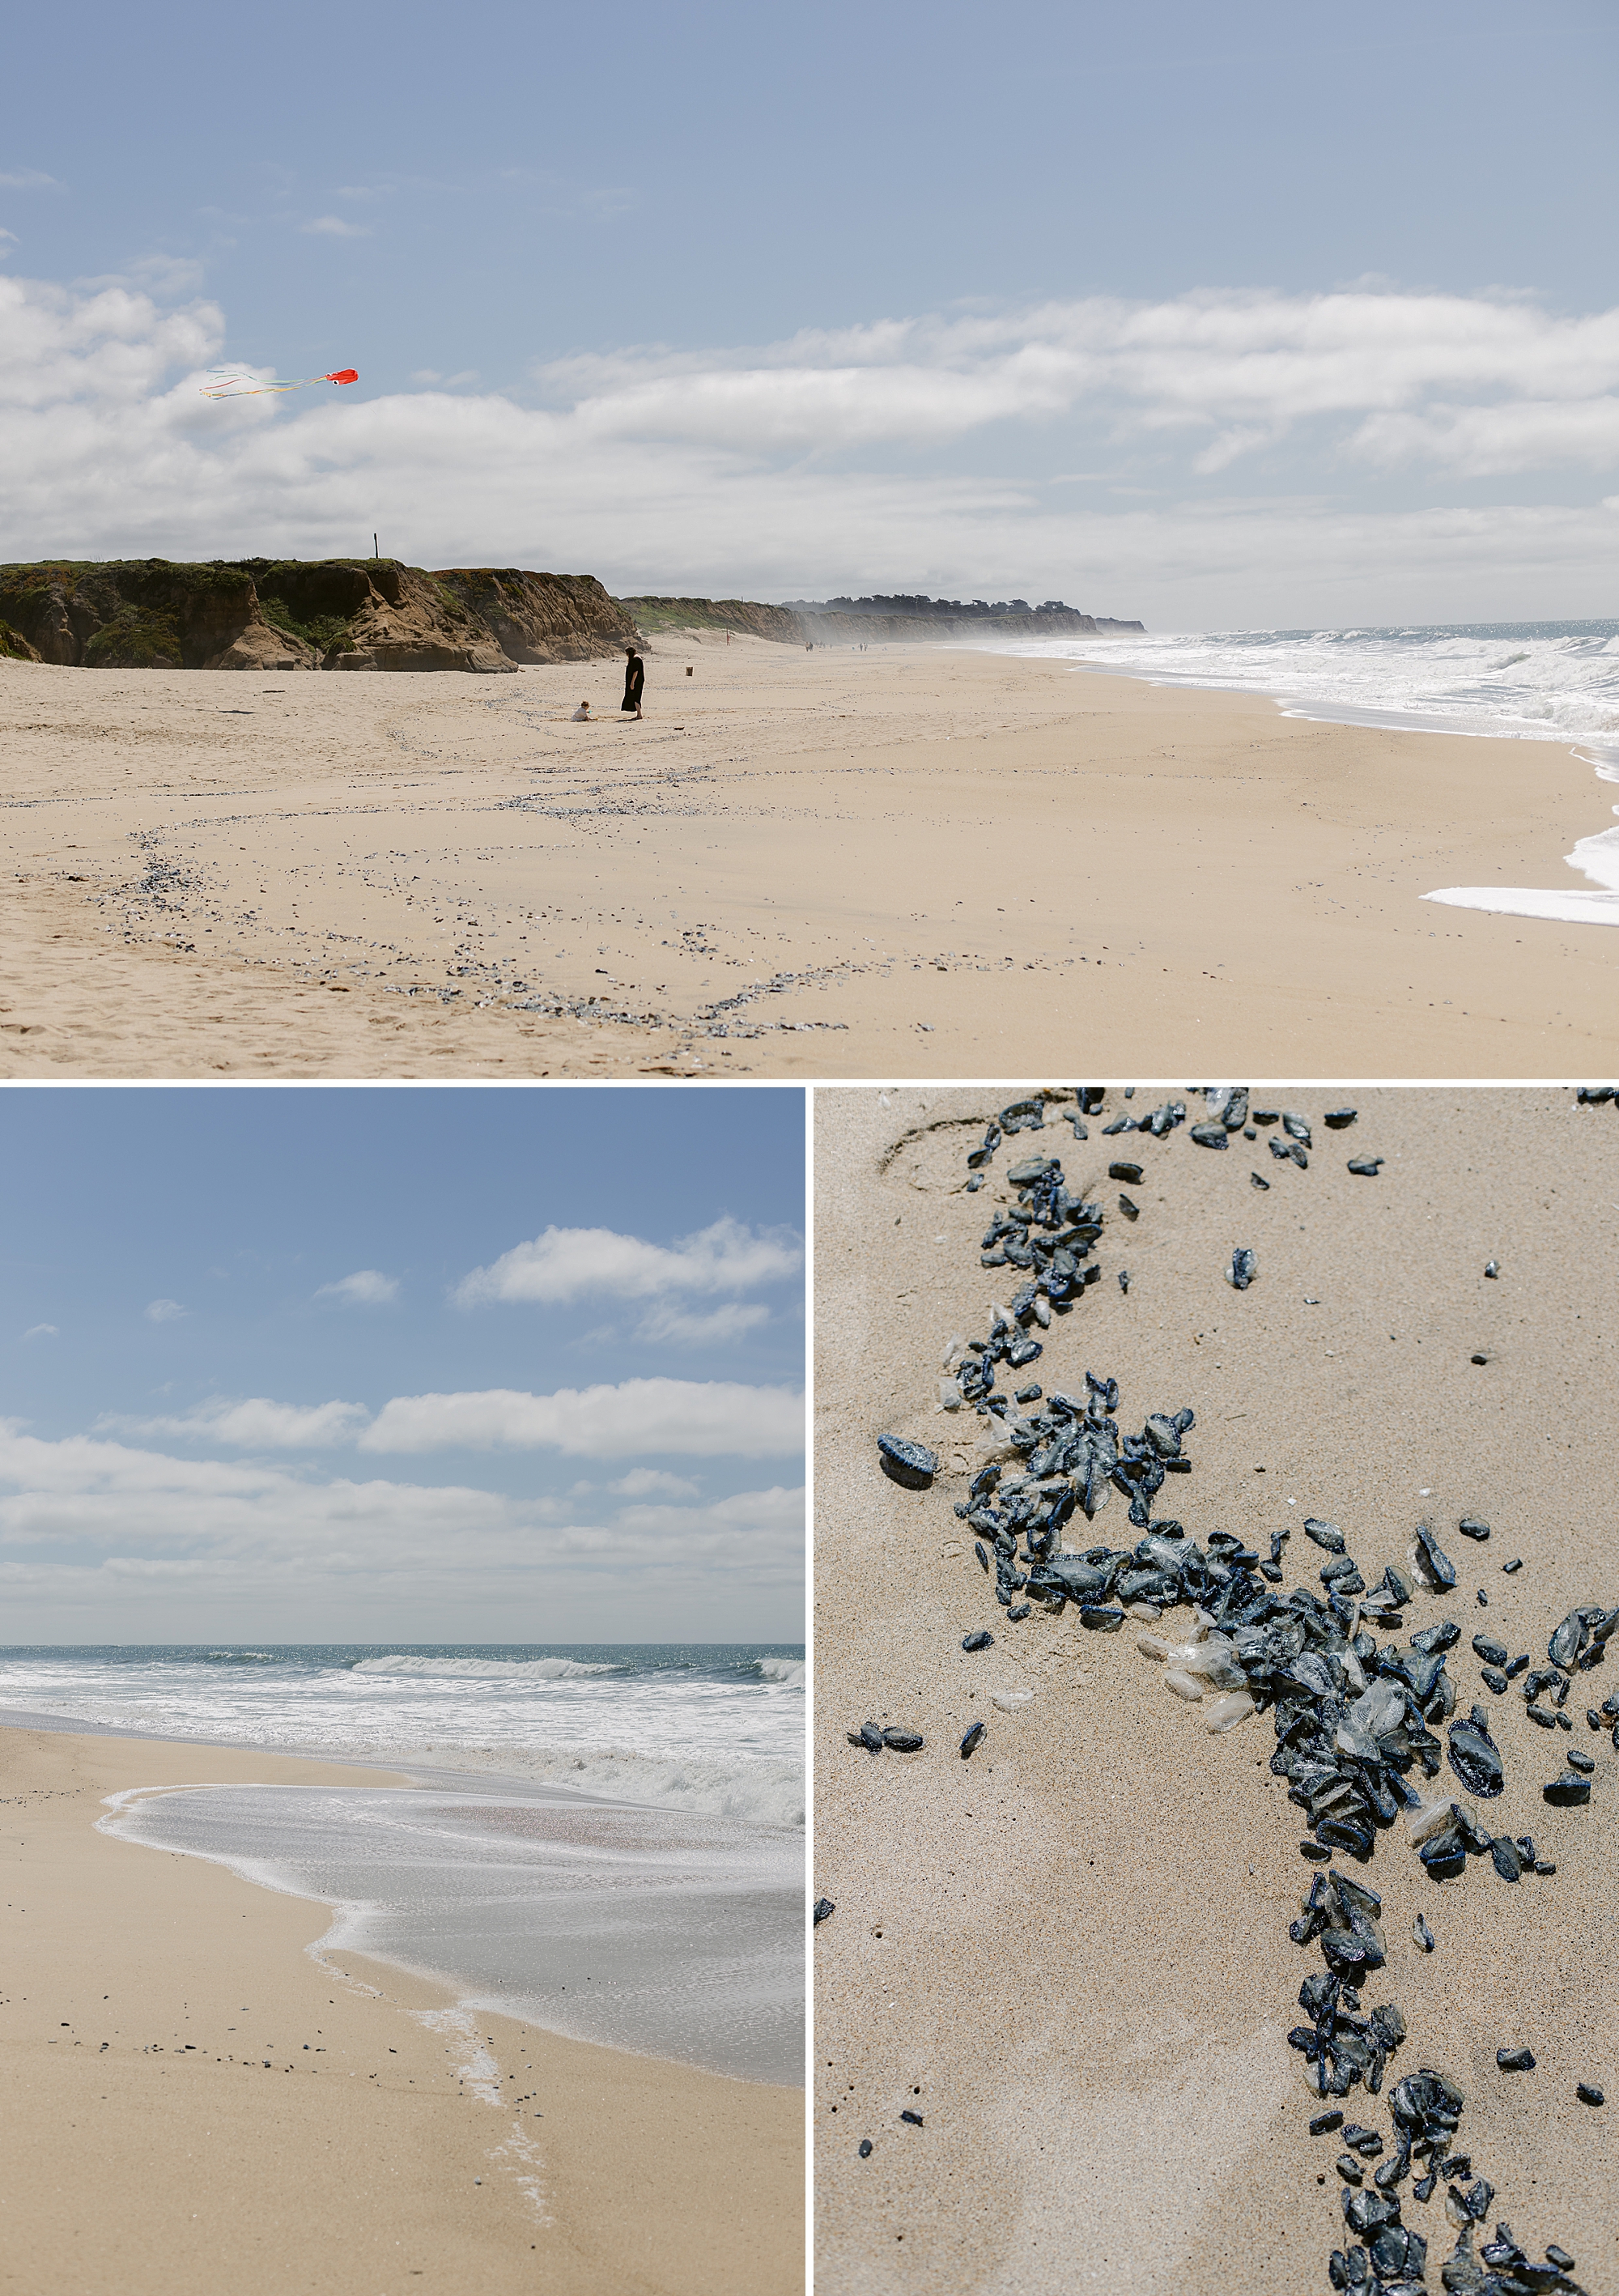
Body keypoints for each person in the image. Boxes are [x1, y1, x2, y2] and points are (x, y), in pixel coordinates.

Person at [621, 646, 644, 718]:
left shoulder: (635, 659)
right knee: (636, 696)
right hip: (638, 680)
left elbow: (636, 672)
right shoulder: (638, 658)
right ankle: (639, 714)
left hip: (636, 681)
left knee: (635, 696)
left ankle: (639, 714)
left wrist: (632, 683)